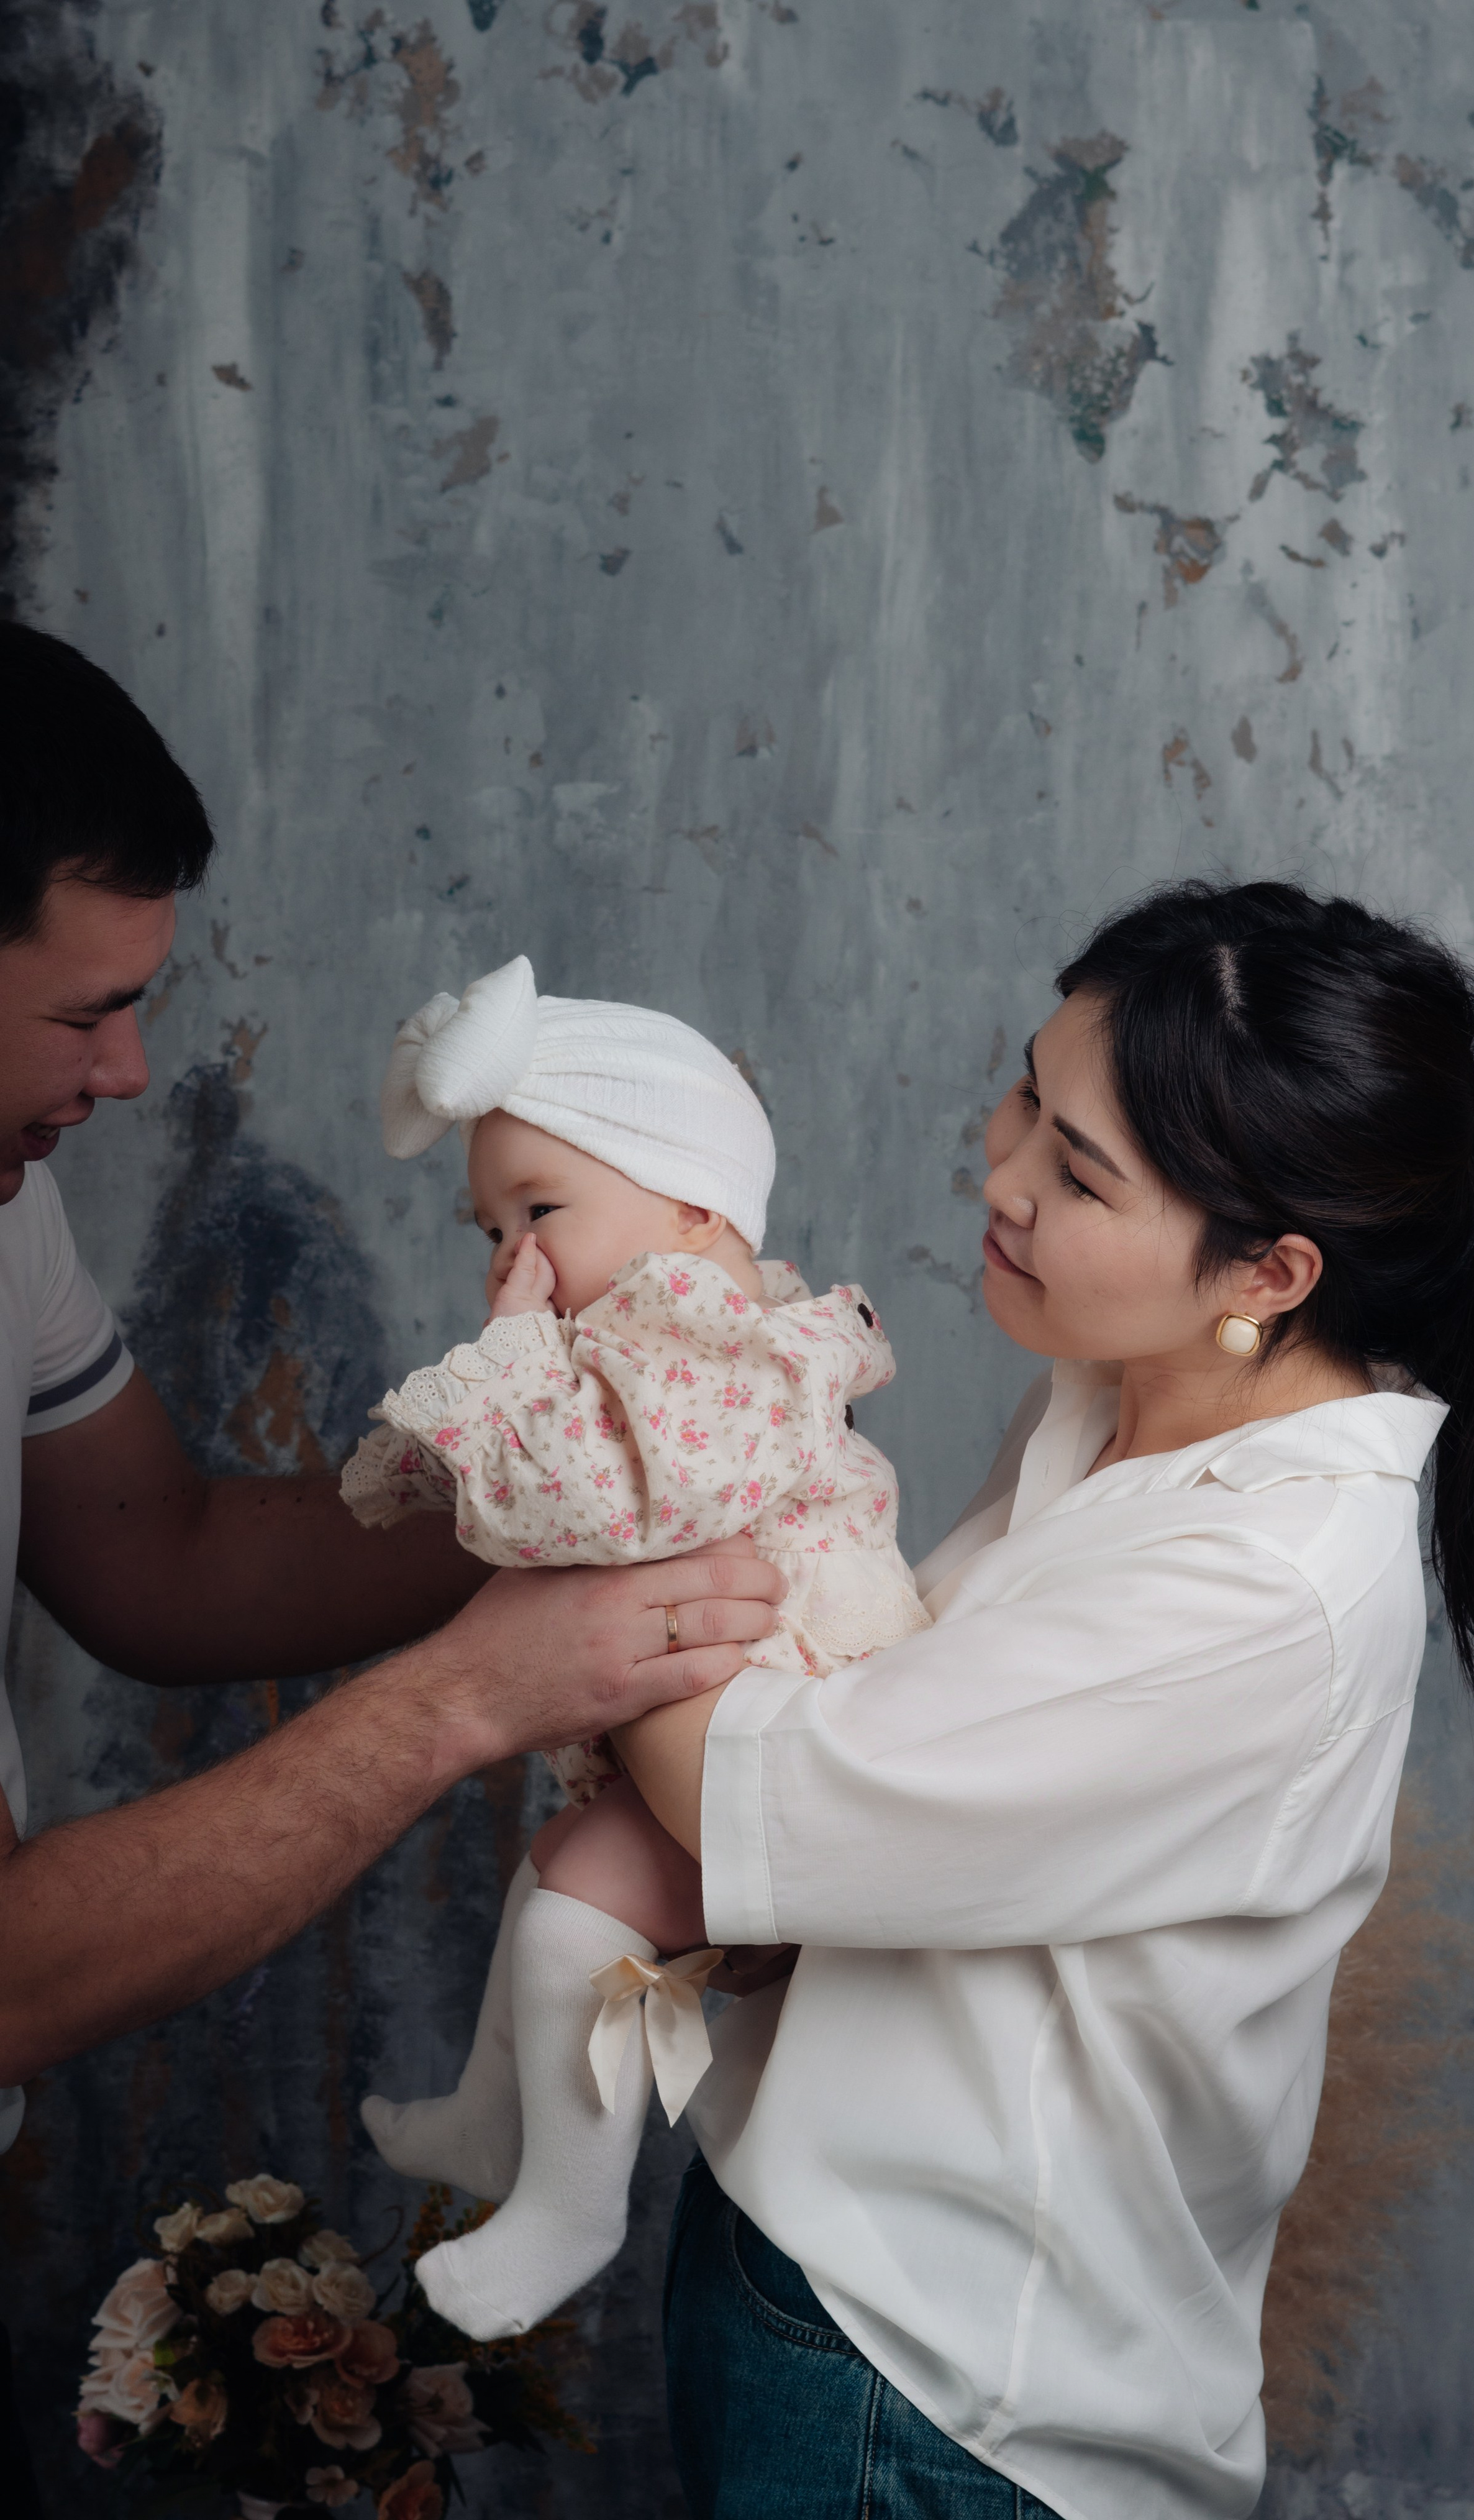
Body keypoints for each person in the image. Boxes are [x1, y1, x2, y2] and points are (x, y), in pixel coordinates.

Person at [608, 882, 1474, 2520]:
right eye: (1026, 1096)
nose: (997, 1174)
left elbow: (749, 1802)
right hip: (829, 2259)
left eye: (1076, 1173)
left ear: (1273, 1272)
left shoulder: (1257, 1588)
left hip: (940, 2387)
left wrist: (594, 1508)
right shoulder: (1125, 1400)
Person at [0, 624, 783, 2513]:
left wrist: (562, 1497)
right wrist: (468, 1700)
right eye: (78, 1015)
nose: (128, 1074)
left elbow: (162, 1558)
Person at [336, 953, 929, 2338]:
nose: (516, 1262)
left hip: (792, 1734)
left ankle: (568, 2210)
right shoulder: (653, 1336)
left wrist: (512, 1357)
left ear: (688, 1201)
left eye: (540, 1211)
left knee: (574, 1929)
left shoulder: (715, 1344)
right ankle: (497, 2124)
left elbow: (599, 1509)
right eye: (492, 1227)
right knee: (558, 1880)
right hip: (722, 1708)